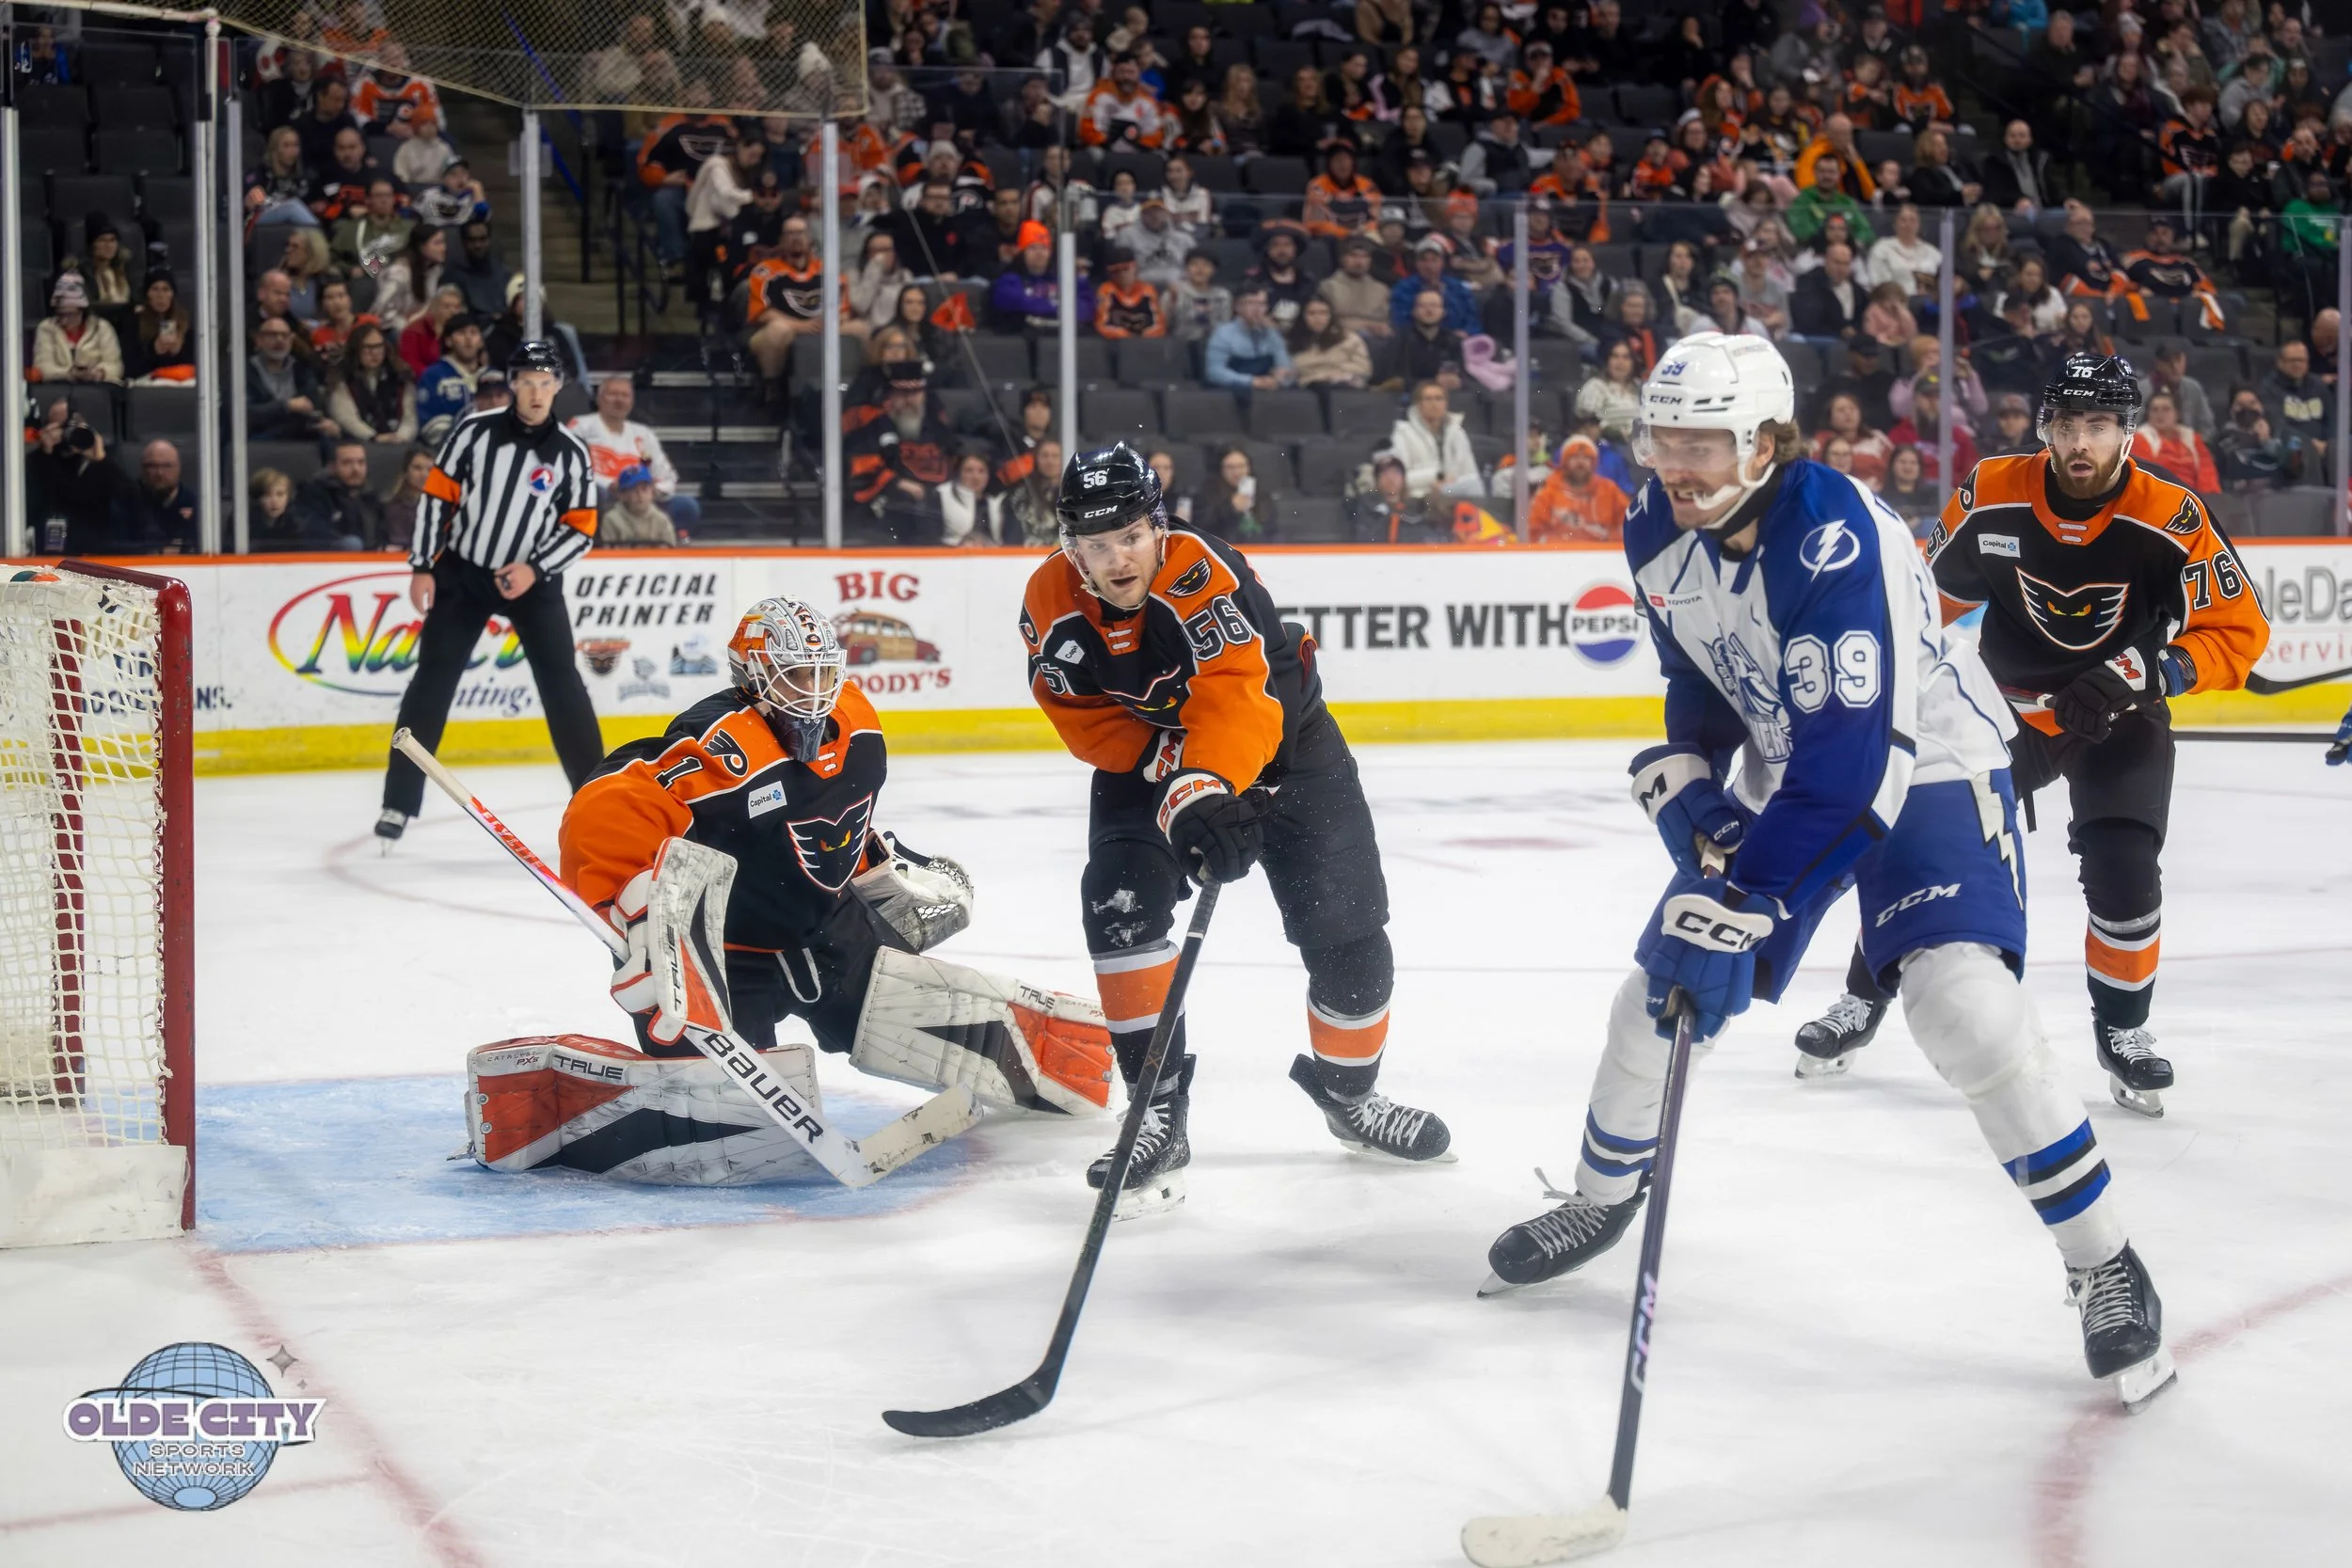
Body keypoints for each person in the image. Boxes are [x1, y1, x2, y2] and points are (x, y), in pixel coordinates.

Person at [1478, 331, 2179, 1418]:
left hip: (1924, 758)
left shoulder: (1836, 537)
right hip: (1795, 760)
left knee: (1965, 1008)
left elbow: (1859, 774)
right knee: (1652, 992)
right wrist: (1696, 785)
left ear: (1764, 439)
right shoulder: (1656, 519)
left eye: (1702, 441)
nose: (1675, 462)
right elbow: (1697, 671)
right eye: (1662, 438)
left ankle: (2104, 1261)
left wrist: (1747, 901)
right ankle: (1599, 1196)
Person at [1797, 353, 2271, 1121]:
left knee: (2124, 865)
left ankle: (2124, 1030)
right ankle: (1862, 994)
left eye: (2099, 426)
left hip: (2119, 713)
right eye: (2067, 426)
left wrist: (2142, 674)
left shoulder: (2171, 515)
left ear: (2128, 432)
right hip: (2002, 709)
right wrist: (1884, 679)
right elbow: (1922, 599)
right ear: (2045, 428)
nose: (2081, 443)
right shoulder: (1992, 493)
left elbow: (2239, 632)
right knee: (1924, 846)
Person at [537, 595, 1115, 1181]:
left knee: (902, 1009)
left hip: (829, 932)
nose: (812, 692)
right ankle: (561, 1107)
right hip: (724, 962)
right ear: (751, 680)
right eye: (794, 676)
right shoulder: (725, 747)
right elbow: (605, 806)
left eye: (821, 673)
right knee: (731, 1130)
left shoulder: (861, 725)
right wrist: (633, 914)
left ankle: (1044, 1055)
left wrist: (874, 863)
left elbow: (834, 812)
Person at [1020, 444, 1454, 1214]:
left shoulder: (1198, 570)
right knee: (1117, 903)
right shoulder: (1050, 600)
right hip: (1157, 755)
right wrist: (1174, 778)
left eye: (1128, 535)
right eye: (1094, 542)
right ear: (1069, 544)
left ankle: (1348, 1094)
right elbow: (1079, 718)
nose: (1116, 558)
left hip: (1290, 746)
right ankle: (1157, 1110)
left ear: (1157, 525)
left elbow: (1242, 699)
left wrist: (1204, 783)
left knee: (1349, 938)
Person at [376, 343, 605, 845]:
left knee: (563, 684)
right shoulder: (473, 433)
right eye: (527, 381)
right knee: (432, 680)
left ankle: (597, 801)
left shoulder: (571, 452)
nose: (537, 392)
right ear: (512, 384)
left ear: (559, 387)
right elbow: (437, 498)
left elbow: (582, 528)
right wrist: (422, 567)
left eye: (547, 383)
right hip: (466, 573)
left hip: (533, 581)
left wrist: (534, 569)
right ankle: (398, 803)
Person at [564, 375, 700, 531]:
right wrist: (609, 485)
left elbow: (667, 477)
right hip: (605, 498)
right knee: (594, 493)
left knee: (686, 506)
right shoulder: (581, 426)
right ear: (599, 399)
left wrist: (653, 489)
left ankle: (661, 546)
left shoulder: (644, 434)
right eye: (613, 394)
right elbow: (569, 468)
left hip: (641, 501)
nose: (619, 400)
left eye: (625, 396)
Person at [847, 369, 958, 544]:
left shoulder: (938, 428)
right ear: (890, 399)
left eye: (914, 394)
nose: (908, 400)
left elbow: (959, 461)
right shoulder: (873, 427)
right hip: (888, 514)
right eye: (902, 394)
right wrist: (895, 482)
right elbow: (859, 467)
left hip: (938, 513)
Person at [248, 315, 341, 441]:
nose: (279, 340)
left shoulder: (301, 369)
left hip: (297, 436)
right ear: (259, 340)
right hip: (258, 439)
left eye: (285, 335)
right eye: (272, 335)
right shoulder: (245, 371)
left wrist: (324, 422)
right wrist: (286, 406)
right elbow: (244, 414)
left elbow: (314, 406)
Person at [1524, 434, 1629, 541]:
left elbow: (1629, 524)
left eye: (1586, 457)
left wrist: (1606, 537)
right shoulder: (1547, 493)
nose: (1580, 462)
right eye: (1574, 457)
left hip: (1602, 555)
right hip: (1559, 555)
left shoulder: (1609, 490)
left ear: (1593, 463)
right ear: (1564, 462)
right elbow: (1534, 532)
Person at [1389, 380, 1483, 499]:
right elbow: (1398, 478)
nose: (1434, 403)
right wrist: (1436, 477)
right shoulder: (1403, 433)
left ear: (1446, 404)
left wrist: (1452, 483)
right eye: (1428, 399)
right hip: (1420, 497)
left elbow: (1471, 473)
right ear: (1418, 405)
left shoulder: (1457, 432)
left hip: (1453, 495)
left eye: (1439, 398)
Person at [327, 323, 418, 445]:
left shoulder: (400, 376)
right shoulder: (342, 377)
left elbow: (410, 417)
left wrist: (401, 437)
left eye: (379, 346)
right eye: (368, 347)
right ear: (356, 349)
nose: (375, 352)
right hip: (358, 444)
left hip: (399, 443)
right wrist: (373, 437)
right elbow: (346, 418)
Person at [293, 437, 389, 549]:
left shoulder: (371, 496)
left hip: (370, 561)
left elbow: (382, 535)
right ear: (332, 467)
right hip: (331, 560)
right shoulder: (314, 494)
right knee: (352, 544)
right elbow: (315, 534)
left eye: (361, 462)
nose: (356, 469)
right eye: (347, 463)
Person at [107, 439, 199, 553]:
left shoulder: (196, 505)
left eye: (167, 466)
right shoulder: (126, 504)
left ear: (179, 468)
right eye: (152, 466)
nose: (160, 473)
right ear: (142, 469)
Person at [1203, 285, 1296, 395]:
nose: (1257, 309)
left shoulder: (1271, 333)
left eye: (1262, 304)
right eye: (1251, 303)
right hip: (1231, 392)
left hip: (1267, 391)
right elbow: (1214, 372)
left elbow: (1286, 367)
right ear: (1238, 307)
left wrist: (1281, 378)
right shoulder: (1223, 334)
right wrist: (1251, 381)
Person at [33, 276, 123, 385]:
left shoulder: (102, 327)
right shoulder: (46, 328)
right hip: (59, 388)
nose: (64, 320)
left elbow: (116, 367)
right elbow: (43, 368)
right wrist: (70, 374)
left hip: (97, 389)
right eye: (60, 314)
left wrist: (99, 373)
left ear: (83, 311)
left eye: (70, 314)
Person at [416, 313, 490, 445]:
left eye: (473, 333)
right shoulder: (434, 376)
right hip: (448, 452)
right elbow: (431, 427)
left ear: (481, 341)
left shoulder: (494, 376)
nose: (468, 338)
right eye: (461, 333)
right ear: (448, 341)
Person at [2132, 389, 2220, 493]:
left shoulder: (2192, 438)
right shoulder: (2140, 439)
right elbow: (2145, 479)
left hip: (2194, 498)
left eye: (2166, 409)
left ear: (2177, 414)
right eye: (2154, 410)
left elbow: (2207, 473)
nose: (2160, 414)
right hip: (2160, 496)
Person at [1289, 297, 1372, 388]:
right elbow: (1292, 369)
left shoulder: (1349, 339)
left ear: (1331, 315)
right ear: (1303, 316)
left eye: (1323, 313)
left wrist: (1337, 372)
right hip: (1307, 386)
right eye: (1311, 313)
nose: (1318, 318)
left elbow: (1364, 368)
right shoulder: (1292, 340)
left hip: (1343, 383)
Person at [127, 272, 195, 383]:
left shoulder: (184, 322)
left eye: (166, 289)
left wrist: (178, 351)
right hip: (148, 379)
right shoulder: (134, 322)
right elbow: (131, 367)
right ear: (147, 294)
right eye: (155, 289)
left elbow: (195, 362)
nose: (160, 295)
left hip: (180, 378)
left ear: (172, 294)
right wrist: (154, 350)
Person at [1194, 445, 1268, 542]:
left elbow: (1272, 529)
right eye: (1230, 467)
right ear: (1221, 469)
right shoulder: (1208, 494)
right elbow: (1205, 527)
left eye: (1241, 466)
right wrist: (1231, 508)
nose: (1237, 472)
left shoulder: (1261, 493)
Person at [1576, 339, 1645, 442]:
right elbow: (1587, 421)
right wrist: (1614, 434)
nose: (1620, 362)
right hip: (1608, 443)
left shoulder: (1640, 387)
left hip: (1640, 443)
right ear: (1607, 361)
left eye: (1626, 357)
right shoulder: (1595, 386)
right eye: (1615, 356)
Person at [598, 463, 680, 546]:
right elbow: (608, 554)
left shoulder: (662, 520)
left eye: (644, 489)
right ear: (623, 495)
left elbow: (670, 553)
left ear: (652, 492)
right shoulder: (611, 519)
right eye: (634, 490)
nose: (640, 495)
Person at [382, 445, 436, 553]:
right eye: (417, 468)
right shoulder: (395, 507)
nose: (424, 475)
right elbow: (398, 545)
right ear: (406, 471)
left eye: (430, 469)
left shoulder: (446, 505)